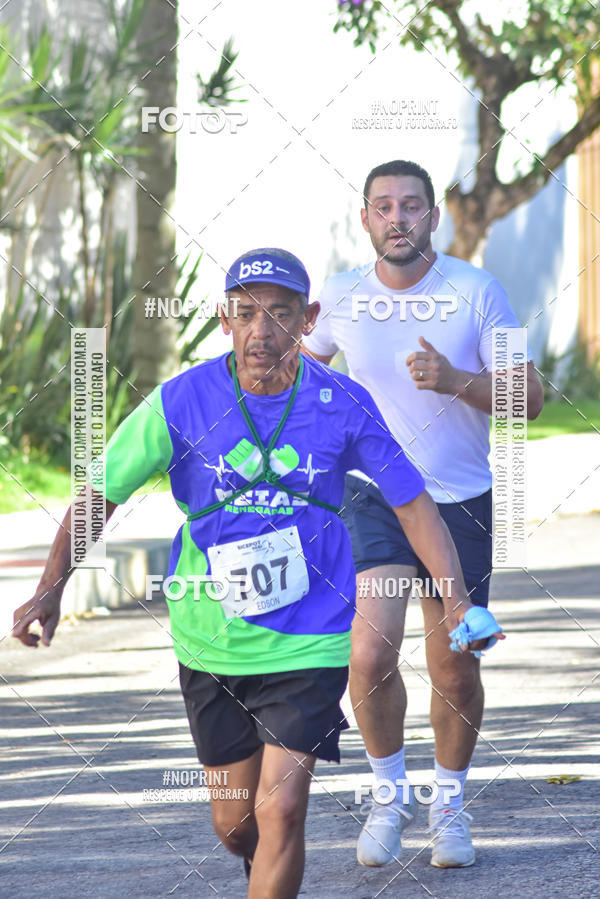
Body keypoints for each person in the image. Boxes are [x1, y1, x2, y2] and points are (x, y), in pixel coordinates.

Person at [13, 246, 502, 897]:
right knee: (238, 823)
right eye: (246, 312)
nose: (261, 330)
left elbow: (412, 503)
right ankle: (258, 861)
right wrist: (51, 588)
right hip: (210, 637)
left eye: (280, 313)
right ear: (224, 318)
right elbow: (99, 493)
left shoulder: (340, 401)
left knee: (281, 810)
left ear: (309, 319)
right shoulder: (182, 401)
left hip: (311, 635)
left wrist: (458, 598)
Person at [302, 161, 543, 869]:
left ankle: (449, 804)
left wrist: (456, 379)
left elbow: (528, 399)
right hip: (373, 496)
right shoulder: (343, 295)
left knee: (455, 663)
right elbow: (296, 379)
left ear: (433, 217)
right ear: (366, 219)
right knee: (370, 653)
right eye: (383, 206)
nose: (397, 217)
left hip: (460, 497)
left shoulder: (477, 291)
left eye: (411, 205)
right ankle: (388, 794)